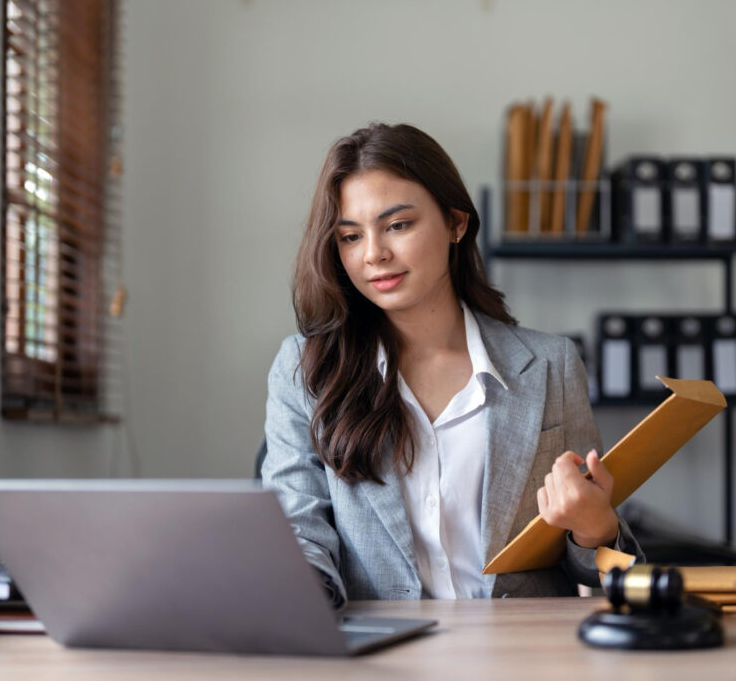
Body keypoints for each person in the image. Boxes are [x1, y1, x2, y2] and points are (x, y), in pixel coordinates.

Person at [263, 123, 642, 608]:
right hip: (381, 657)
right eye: (351, 236)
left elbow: (609, 566)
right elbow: (298, 532)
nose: (374, 253)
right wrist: (295, 599)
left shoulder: (551, 365)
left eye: (398, 225)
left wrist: (596, 530)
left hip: (523, 656)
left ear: (456, 223)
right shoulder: (305, 370)